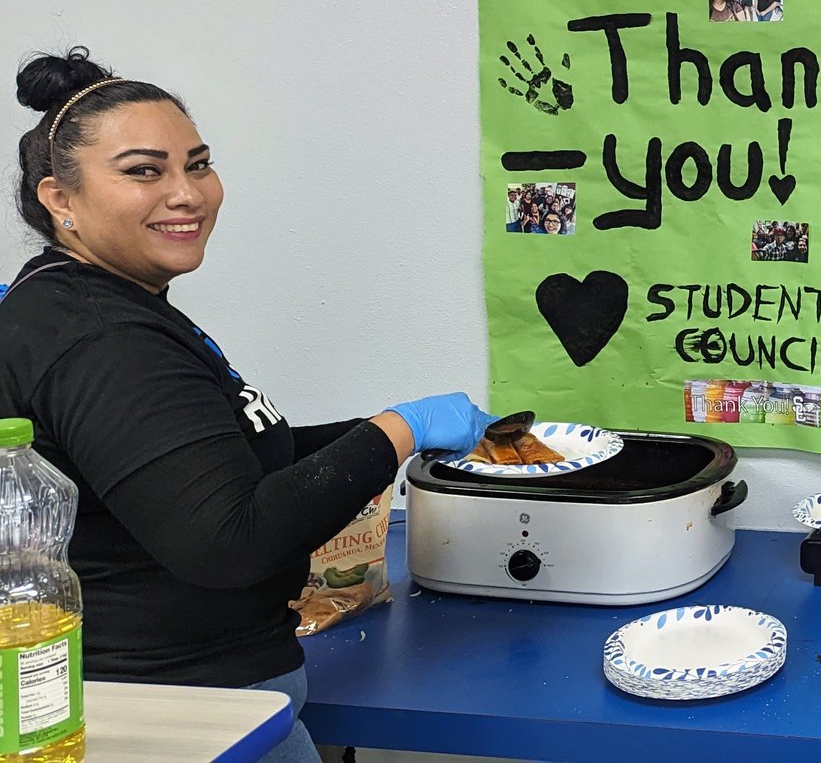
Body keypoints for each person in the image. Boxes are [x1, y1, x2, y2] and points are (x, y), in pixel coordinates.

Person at [0, 47, 495, 763]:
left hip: (199, 691)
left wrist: (383, 434)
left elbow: (214, 459)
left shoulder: (85, 301)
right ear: (60, 199)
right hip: (181, 712)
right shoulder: (100, 337)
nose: (186, 194)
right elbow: (228, 540)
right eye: (144, 171)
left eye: (196, 165)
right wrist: (399, 428)